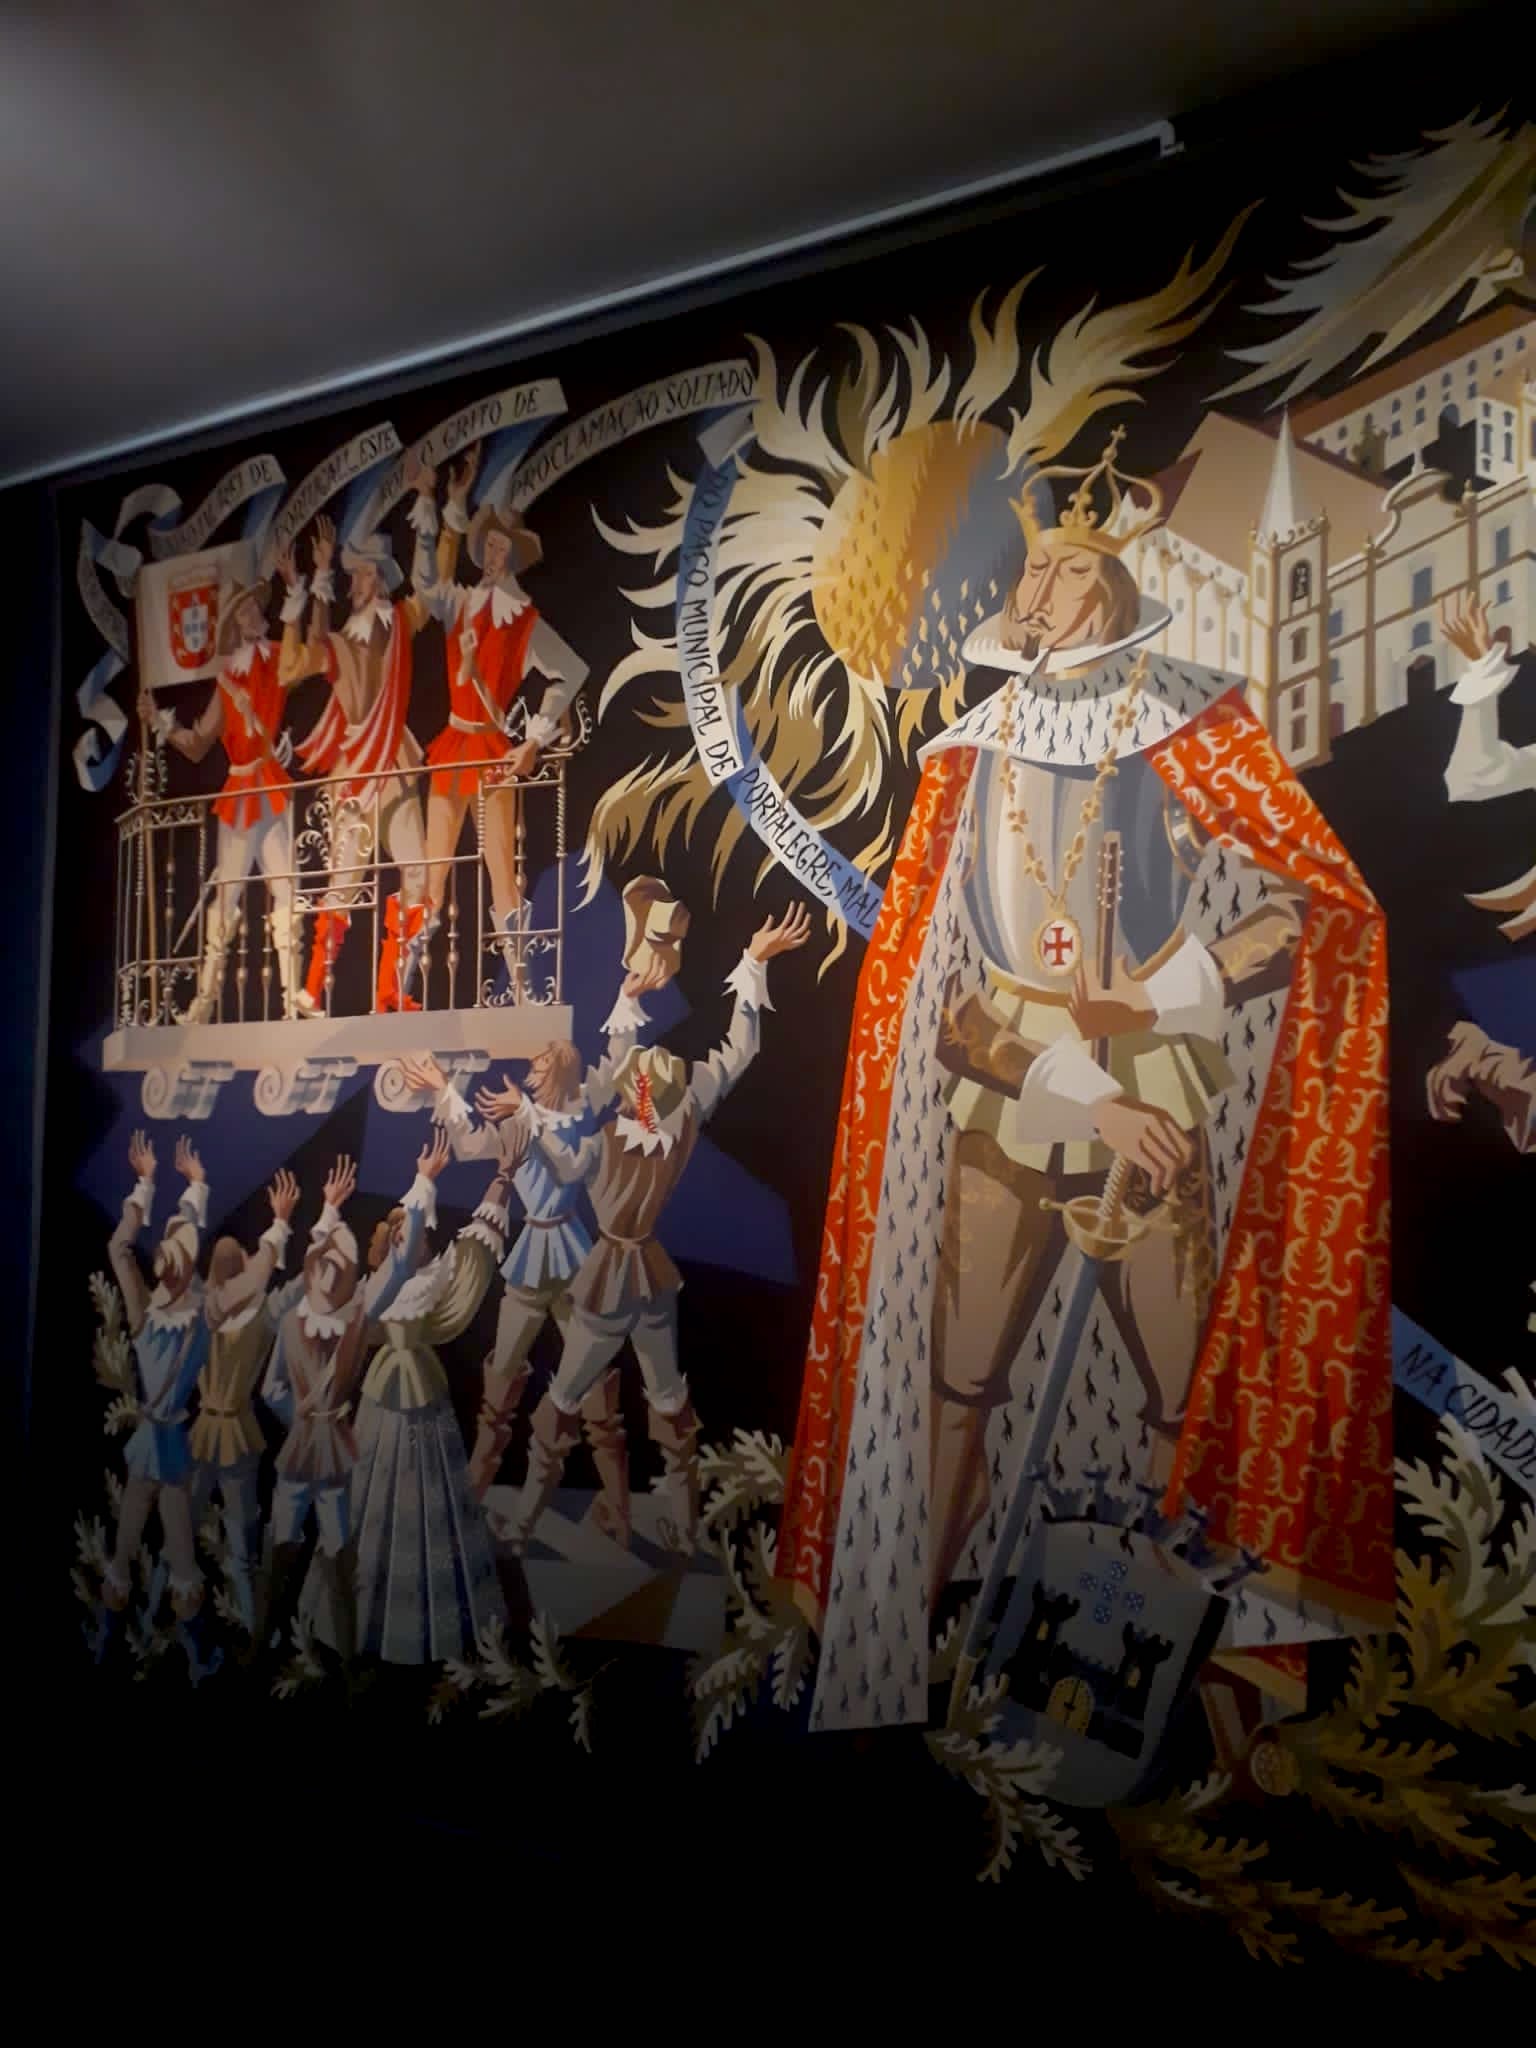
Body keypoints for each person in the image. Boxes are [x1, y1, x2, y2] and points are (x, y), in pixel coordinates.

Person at [777, 428, 1395, 1731]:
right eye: (1031, 572)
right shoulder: (968, 755)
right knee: (958, 1387)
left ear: (1115, 585)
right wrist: (1084, 1082)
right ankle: (909, 1655)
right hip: (1011, 1097)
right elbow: (939, 1001)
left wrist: (1161, 1000)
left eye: (1065, 569)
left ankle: (1193, 1681)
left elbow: (1302, 908)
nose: (1038, 590)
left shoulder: (1199, 724)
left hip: (1157, 1090)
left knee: (1184, 1399)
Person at [484, 904, 811, 1557]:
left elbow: (566, 1156)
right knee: (667, 1397)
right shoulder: (682, 1119)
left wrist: (529, 1112)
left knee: (563, 1399)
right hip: (652, 1277)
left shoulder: (607, 1139)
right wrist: (752, 964)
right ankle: (684, 1529)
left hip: (610, 1280)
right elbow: (738, 1052)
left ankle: (522, 1524)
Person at [397, 953, 670, 1533]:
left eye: (541, 1061)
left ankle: (618, 1507)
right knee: (501, 1379)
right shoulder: (518, 1119)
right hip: (532, 1257)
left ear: (559, 1069)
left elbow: (617, 1063)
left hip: (571, 1257)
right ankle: (476, 1488)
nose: (531, 1068)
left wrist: (627, 998)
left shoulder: (575, 1112)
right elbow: (470, 1143)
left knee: (593, 1385)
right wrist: (444, 1089)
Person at [407, 446, 589, 996]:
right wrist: (436, 504)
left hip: (489, 752)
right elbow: (425, 585)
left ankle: (520, 983)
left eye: (501, 547)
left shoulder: (523, 619)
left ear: (513, 557)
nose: (492, 554)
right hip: (452, 746)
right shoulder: (460, 603)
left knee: (501, 873)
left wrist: (534, 738)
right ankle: (399, 983)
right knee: (433, 871)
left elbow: (571, 671)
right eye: (488, 544)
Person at [261, 1145, 451, 1666]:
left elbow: (401, 1263)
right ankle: (262, 1644)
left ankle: (345, 1663)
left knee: (338, 1552)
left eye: (339, 1266)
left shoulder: (359, 1315)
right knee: (283, 1544)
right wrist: (302, 1423)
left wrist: (423, 1184)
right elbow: (272, 1390)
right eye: (326, 1265)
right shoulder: (294, 1320)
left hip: (332, 1455)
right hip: (306, 1452)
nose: (331, 1273)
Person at [347, 1136, 511, 1663]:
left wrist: (500, 1183)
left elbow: (473, 1265)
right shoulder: (379, 1285)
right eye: (400, 1235)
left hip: (421, 1387)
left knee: (430, 1496)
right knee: (373, 1494)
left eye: (413, 1235)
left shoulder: (432, 1282)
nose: (410, 1241)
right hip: (383, 1394)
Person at [140, 556, 314, 1022]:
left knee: (288, 889)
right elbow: (198, 745)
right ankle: (205, 1000)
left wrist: (295, 592)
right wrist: (159, 722)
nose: (252, 615)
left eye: (254, 607)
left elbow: (299, 660)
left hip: (269, 785)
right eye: (243, 612)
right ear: (234, 625)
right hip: (240, 793)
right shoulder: (228, 680)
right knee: (229, 896)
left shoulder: (276, 658)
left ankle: (290, 998)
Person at [287, 514, 449, 1015]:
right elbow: (305, 656)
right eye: (354, 575)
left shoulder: (398, 625)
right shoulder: (341, 642)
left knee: (417, 875)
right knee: (343, 884)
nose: (357, 583)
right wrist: (318, 581)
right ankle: (312, 988)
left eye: (365, 574)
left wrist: (430, 513)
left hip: (394, 768)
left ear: (380, 581)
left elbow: (429, 589)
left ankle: (390, 991)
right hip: (355, 774)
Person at [101, 1133, 212, 1628]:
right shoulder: (171, 1313)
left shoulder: (173, 1312)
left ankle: (146, 1583)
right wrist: (165, 1185)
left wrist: (157, 1185)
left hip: (162, 1431)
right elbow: (127, 1247)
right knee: (153, 1508)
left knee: (162, 1508)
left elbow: (125, 1246)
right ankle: (134, 1580)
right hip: (159, 1432)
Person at [189, 1168, 299, 1634]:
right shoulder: (230, 1309)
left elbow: (282, 1287)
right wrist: (281, 1223)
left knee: (229, 1537)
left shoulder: (207, 1307)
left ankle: (250, 1624)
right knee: (226, 1538)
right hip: (225, 1431)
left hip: (221, 1429)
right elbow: (281, 1285)